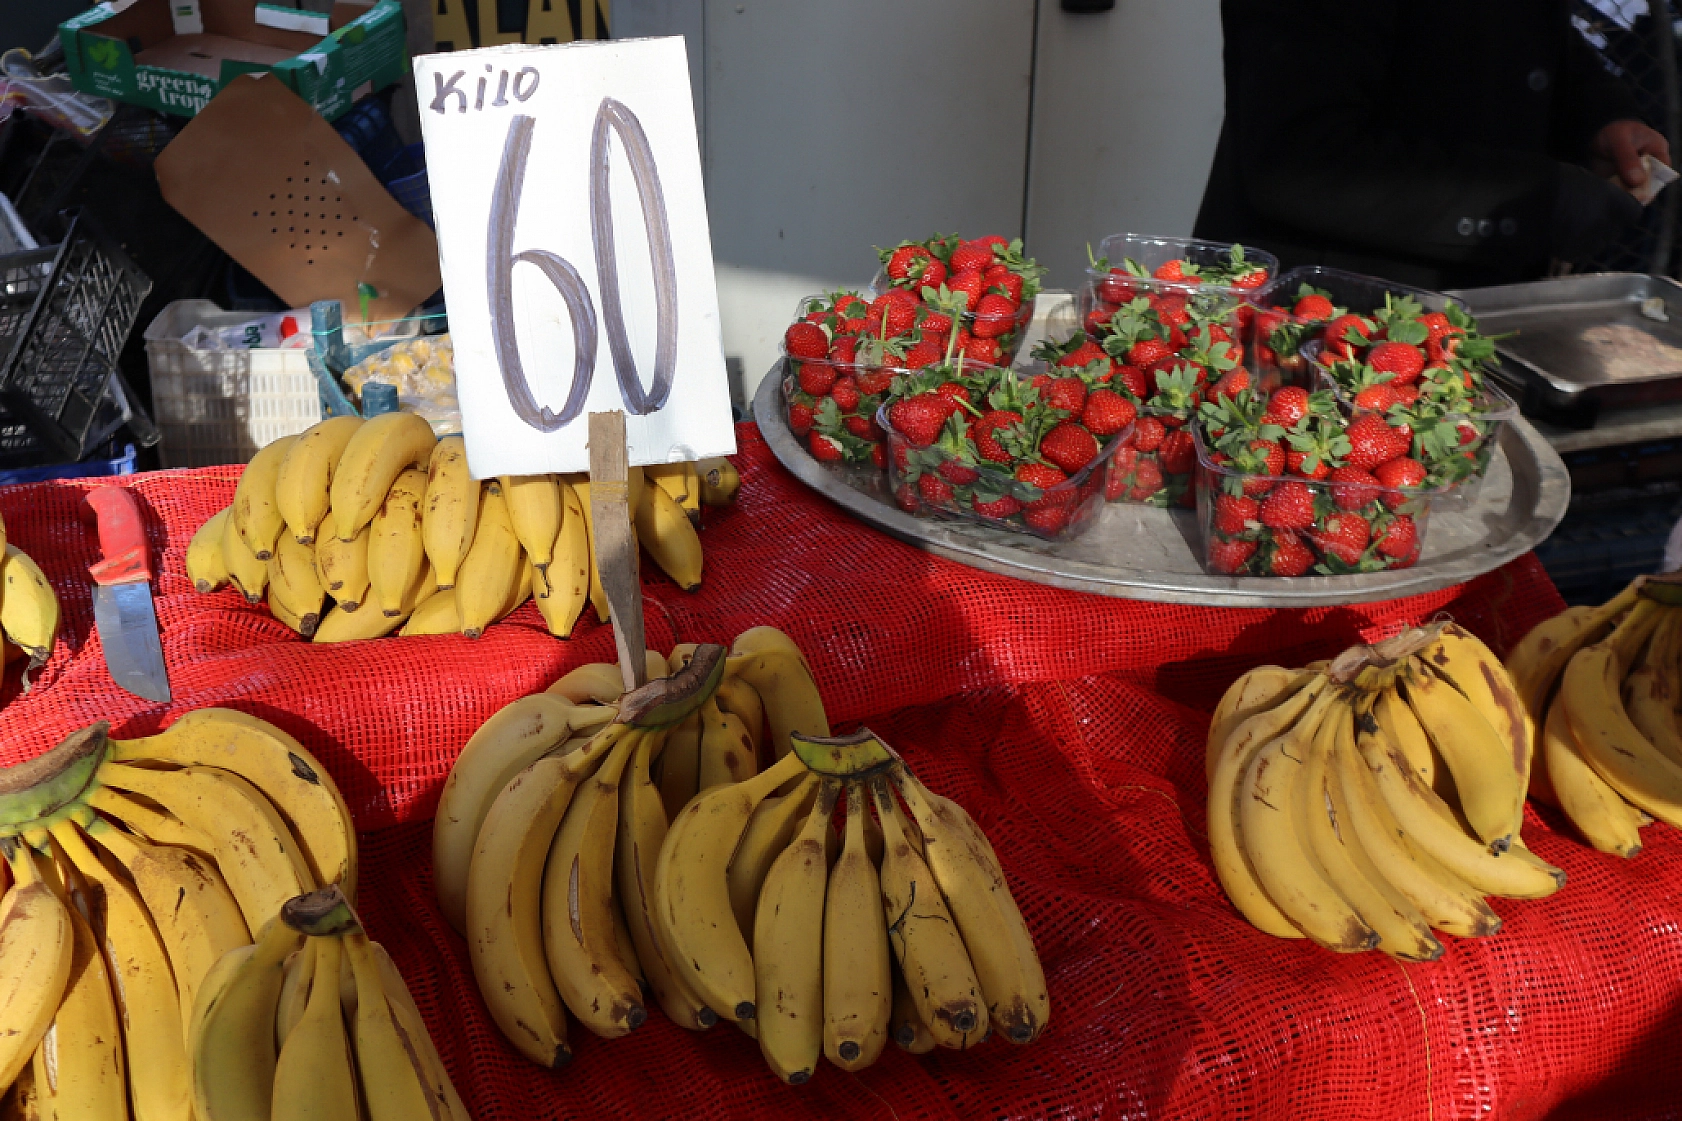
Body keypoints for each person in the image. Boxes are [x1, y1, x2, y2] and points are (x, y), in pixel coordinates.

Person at [1193, 0, 1674, 290]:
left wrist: (1597, 114)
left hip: (1471, 319)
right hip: (1312, 331)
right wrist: (1534, 202)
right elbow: (1298, 159)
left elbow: (1508, 25)